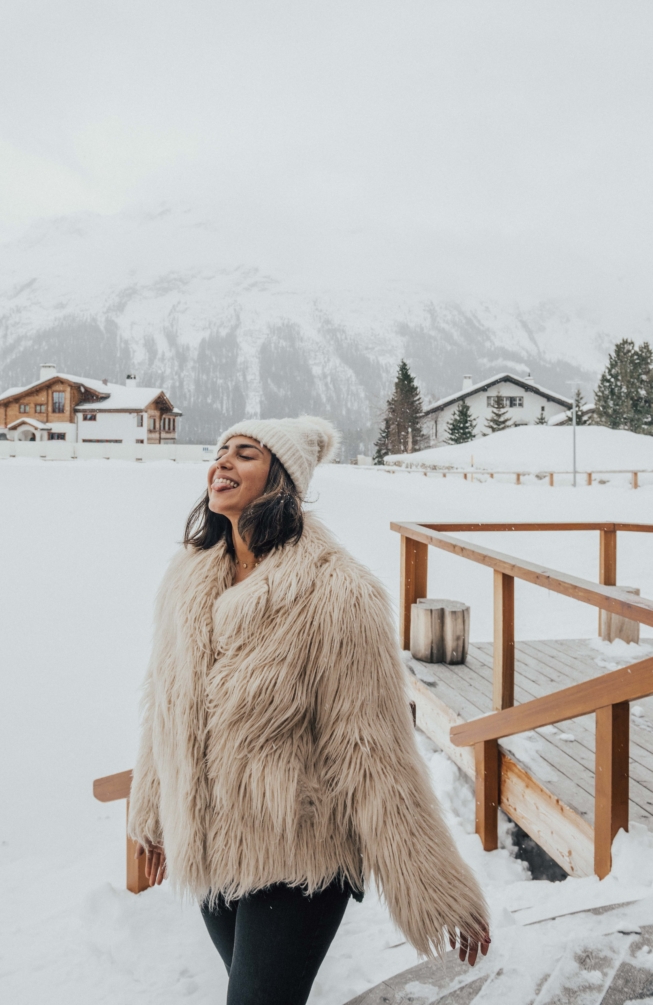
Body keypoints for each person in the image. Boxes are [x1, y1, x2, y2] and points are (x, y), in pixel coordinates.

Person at [129, 416, 490, 1004]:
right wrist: (152, 815)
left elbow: (376, 755)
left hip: (301, 853)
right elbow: (165, 707)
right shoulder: (189, 577)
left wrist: (437, 890)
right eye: (220, 451)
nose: (222, 462)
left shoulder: (338, 592)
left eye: (245, 454)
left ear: (282, 481)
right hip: (212, 842)